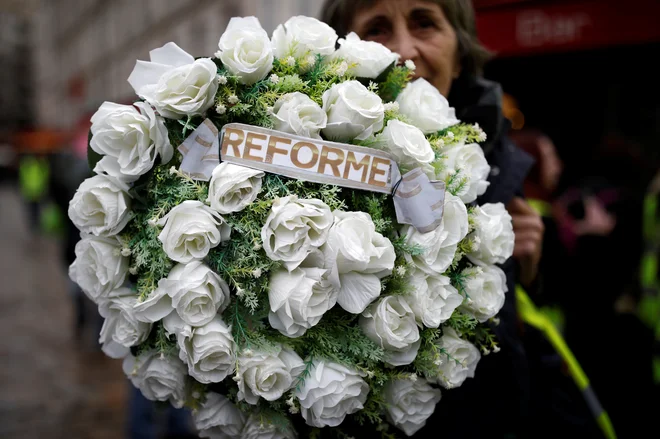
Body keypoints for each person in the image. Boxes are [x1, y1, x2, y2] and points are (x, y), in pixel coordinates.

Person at [320, 1, 597, 437]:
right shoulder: (306, 170)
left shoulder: (501, 166)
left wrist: (524, 273)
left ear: (461, 49)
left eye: (425, 23)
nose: (405, 52)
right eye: (377, 28)